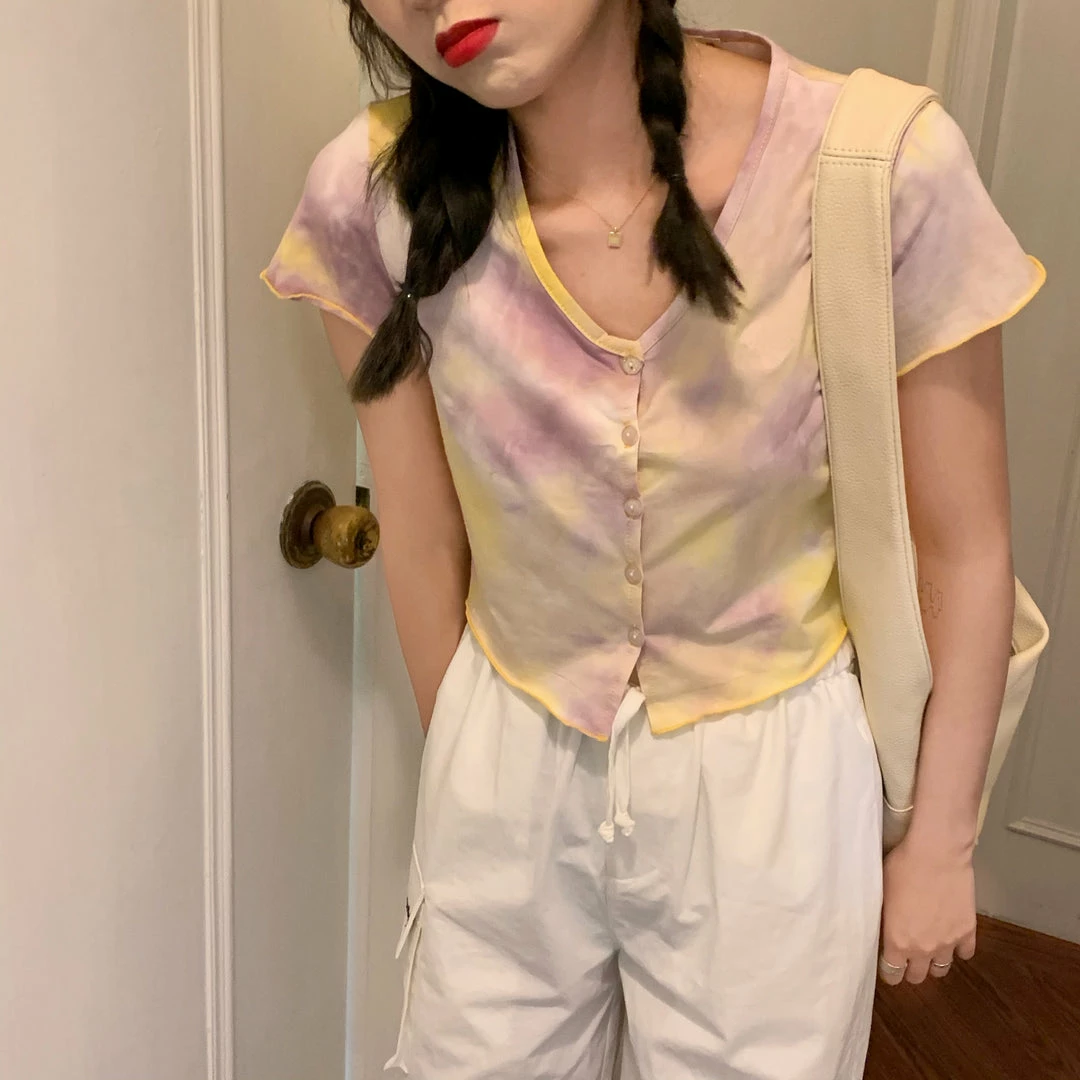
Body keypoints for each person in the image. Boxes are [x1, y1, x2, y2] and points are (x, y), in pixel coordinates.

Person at [262, 2, 1045, 1077]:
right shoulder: (372, 197)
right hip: (507, 742)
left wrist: (942, 843)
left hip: (769, 778)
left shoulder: (876, 166)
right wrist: (472, 777)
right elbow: (425, 535)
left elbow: (965, 545)